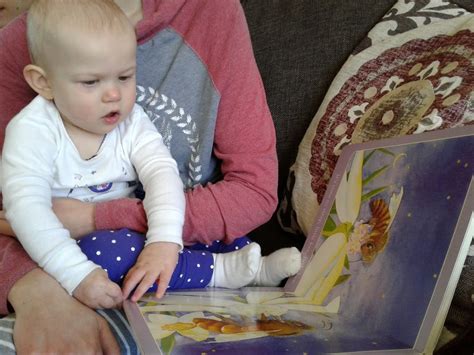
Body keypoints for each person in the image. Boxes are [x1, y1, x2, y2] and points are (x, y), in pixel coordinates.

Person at [0, 0, 297, 352]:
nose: (114, 95)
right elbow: (22, 210)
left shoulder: (130, 115)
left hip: (167, 245)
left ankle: (244, 268)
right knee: (108, 250)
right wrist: (66, 279)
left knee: (154, 240)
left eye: (126, 77)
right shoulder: (31, 125)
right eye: (91, 81)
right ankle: (230, 270)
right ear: (43, 82)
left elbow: (163, 173)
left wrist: (154, 237)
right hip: (72, 262)